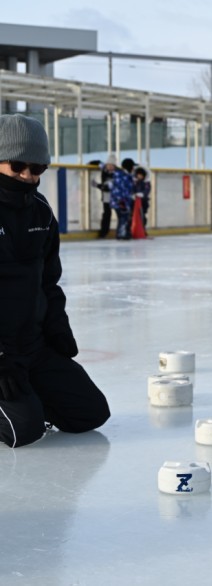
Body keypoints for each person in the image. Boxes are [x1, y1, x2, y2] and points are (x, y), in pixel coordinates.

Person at [0, 114, 111, 448]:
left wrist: (58, 327)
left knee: (90, 414)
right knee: (24, 430)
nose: (27, 176)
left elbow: (49, 281)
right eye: (18, 165)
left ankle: (26, 395)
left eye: (37, 169)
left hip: (32, 345)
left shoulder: (41, 212)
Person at [106, 155, 134, 240]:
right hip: (121, 201)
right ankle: (121, 234)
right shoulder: (122, 176)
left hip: (120, 201)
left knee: (123, 217)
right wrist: (121, 201)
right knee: (123, 217)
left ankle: (123, 233)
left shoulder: (123, 175)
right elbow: (121, 189)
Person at [89, 159, 114, 239]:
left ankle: (122, 230)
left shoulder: (116, 173)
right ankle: (104, 231)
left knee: (118, 213)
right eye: (108, 165)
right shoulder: (104, 169)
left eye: (112, 165)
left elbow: (108, 187)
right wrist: (91, 163)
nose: (110, 167)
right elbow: (100, 162)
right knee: (107, 213)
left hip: (116, 197)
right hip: (107, 197)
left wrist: (97, 185)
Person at [132, 166, 151, 236]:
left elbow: (147, 190)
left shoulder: (146, 183)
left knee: (142, 217)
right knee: (133, 216)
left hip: (143, 203)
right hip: (134, 203)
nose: (139, 176)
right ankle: (134, 230)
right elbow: (132, 189)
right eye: (138, 175)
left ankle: (143, 229)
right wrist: (133, 195)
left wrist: (142, 194)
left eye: (141, 175)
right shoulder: (134, 182)